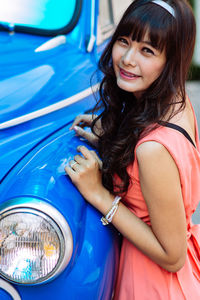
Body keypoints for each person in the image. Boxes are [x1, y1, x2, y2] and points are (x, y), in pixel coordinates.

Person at [65, 0, 200, 299]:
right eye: (124, 41)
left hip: (152, 283)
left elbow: (172, 255)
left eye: (147, 51)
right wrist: (113, 138)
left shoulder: (152, 149)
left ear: (171, 60)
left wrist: (99, 195)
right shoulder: (177, 102)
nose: (127, 58)